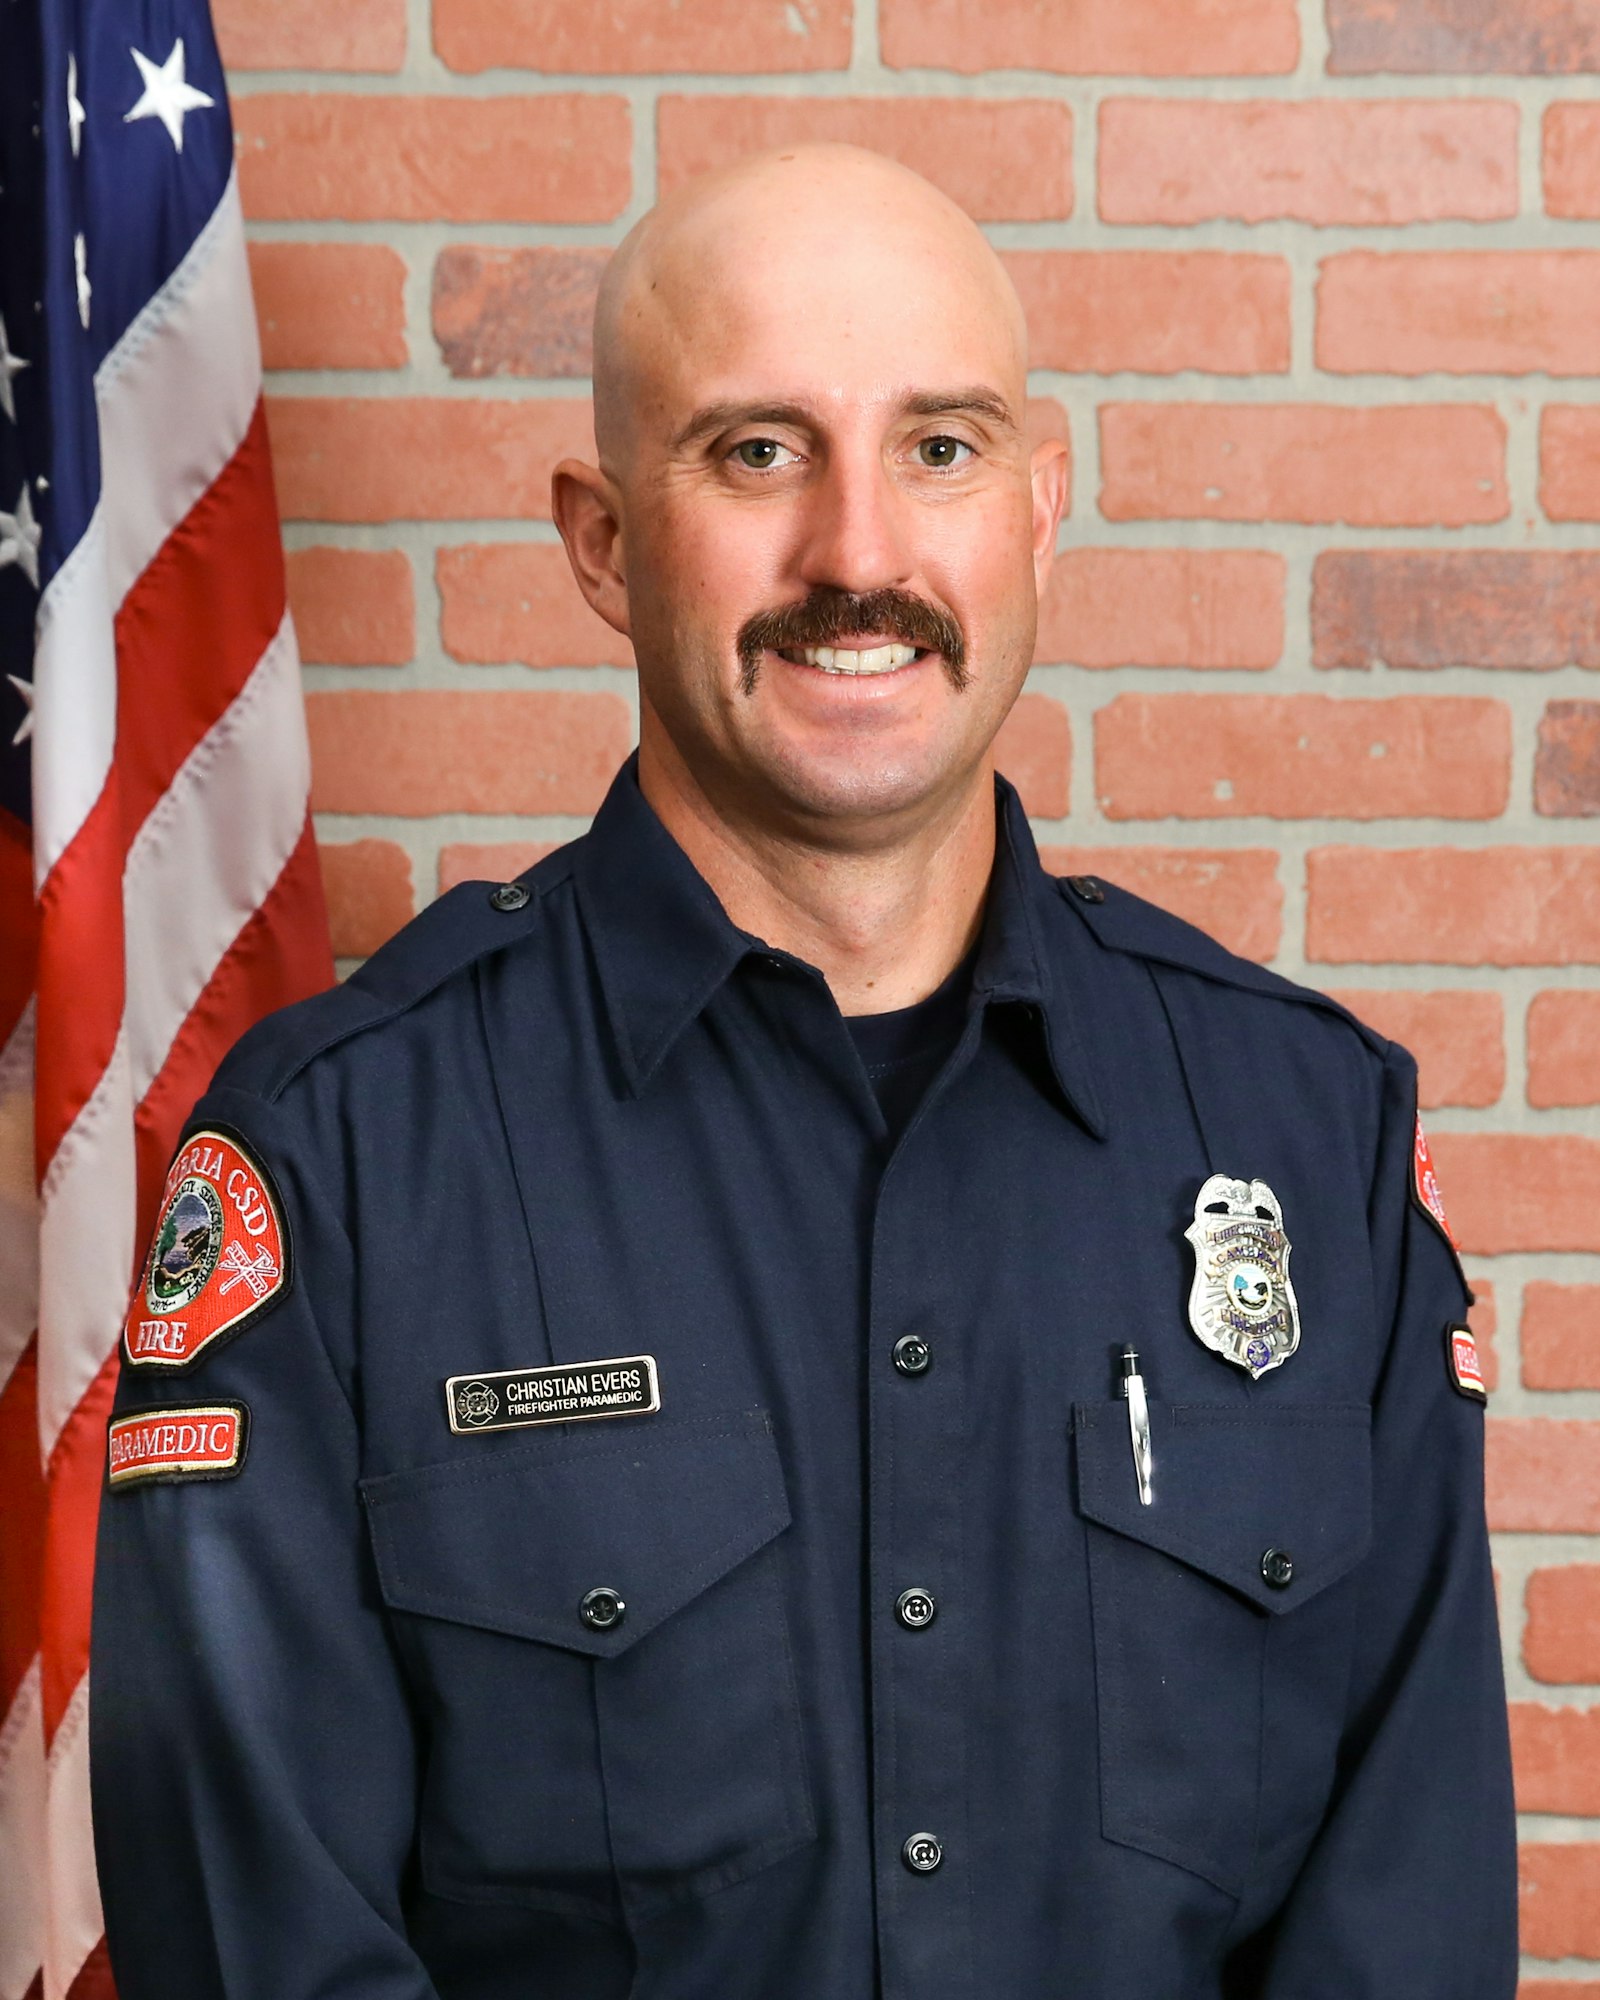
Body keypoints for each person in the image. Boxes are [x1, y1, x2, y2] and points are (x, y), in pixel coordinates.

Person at [91, 146, 1517, 1998]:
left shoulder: (1312, 1142)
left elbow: (1399, 1929)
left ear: (1042, 510)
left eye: (941, 447)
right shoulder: (346, 1165)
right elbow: (260, 1945)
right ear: (603, 541)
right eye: (759, 452)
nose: (860, 553)